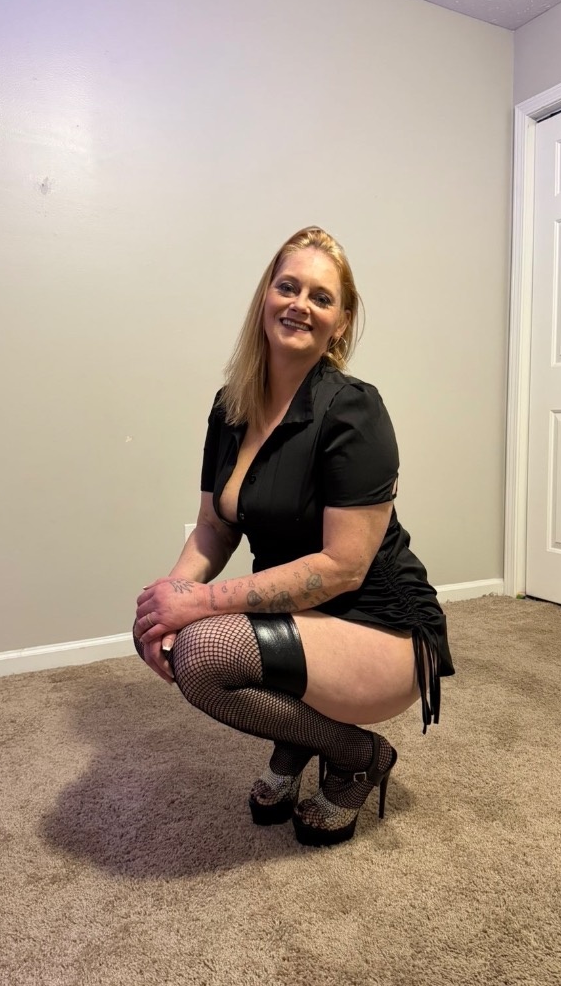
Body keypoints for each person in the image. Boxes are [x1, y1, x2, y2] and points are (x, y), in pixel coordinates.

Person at [133, 226, 454, 847]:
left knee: (203, 652)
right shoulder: (230, 407)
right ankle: (300, 735)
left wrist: (200, 604)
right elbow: (214, 526)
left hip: (383, 628)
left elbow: (343, 567)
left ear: (341, 322)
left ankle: (355, 752)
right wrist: (168, 600)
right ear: (265, 297)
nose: (300, 304)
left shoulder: (354, 409)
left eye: (321, 297)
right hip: (301, 618)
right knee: (164, 629)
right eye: (288, 286)